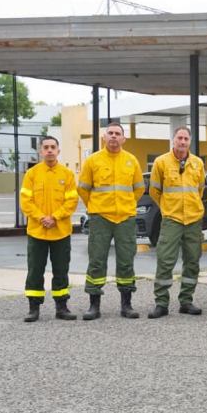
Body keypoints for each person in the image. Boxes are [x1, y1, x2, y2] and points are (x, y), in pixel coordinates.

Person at [77, 122, 145, 320]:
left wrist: (128, 203)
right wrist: (95, 207)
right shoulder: (93, 161)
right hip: (100, 217)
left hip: (125, 218)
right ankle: (94, 306)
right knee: (97, 260)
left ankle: (126, 305)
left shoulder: (131, 161)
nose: (114, 136)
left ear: (123, 138)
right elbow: (83, 188)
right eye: (110, 133)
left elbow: (139, 188)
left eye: (118, 134)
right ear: (104, 138)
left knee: (126, 261)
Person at [147, 127, 206, 319]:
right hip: (172, 219)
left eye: (186, 138)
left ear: (190, 141)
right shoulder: (161, 162)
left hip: (194, 219)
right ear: (173, 140)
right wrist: (167, 208)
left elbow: (199, 190)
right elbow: (155, 191)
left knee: (192, 260)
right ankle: (161, 303)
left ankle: (186, 301)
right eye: (179, 138)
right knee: (165, 260)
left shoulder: (197, 163)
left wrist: (191, 207)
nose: (182, 141)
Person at [19, 136, 79, 322]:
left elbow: (72, 201)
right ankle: (34, 308)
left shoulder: (67, 175)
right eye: (46, 147)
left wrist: (55, 217)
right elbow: (25, 201)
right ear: (40, 151)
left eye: (53, 147)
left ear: (58, 151)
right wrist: (41, 218)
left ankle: (61, 307)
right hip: (37, 232)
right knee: (35, 270)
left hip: (60, 231)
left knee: (61, 271)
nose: (50, 150)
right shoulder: (32, 174)